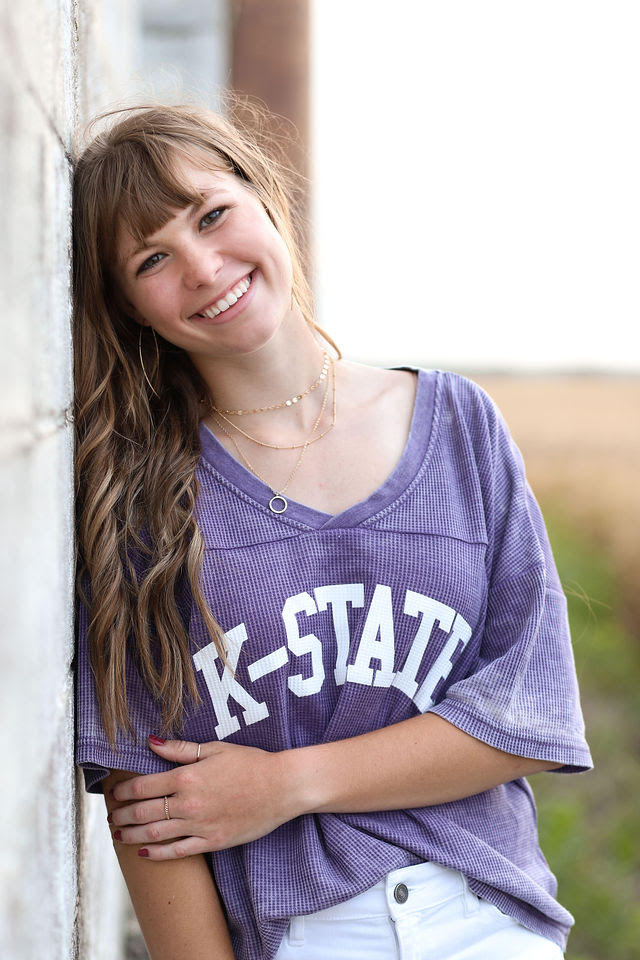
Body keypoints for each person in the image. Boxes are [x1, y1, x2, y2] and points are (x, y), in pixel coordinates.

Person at [73, 102, 593, 960]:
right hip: (305, 936)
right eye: (152, 259)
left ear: (267, 199)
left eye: (212, 215)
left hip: (489, 920)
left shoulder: (458, 426)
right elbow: (152, 811)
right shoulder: (137, 500)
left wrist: (285, 785)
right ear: (130, 307)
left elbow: (526, 714)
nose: (202, 266)